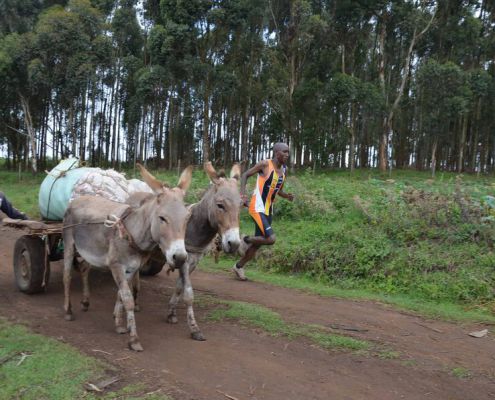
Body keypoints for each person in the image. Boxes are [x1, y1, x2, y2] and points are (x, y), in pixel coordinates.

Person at [232, 142, 294, 281]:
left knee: (258, 243)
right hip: (256, 207)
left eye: (288, 152)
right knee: (271, 239)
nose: (287, 155)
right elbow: (245, 175)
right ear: (276, 152)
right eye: (284, 152)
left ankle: (239, 266)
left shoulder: (284, 170)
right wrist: (242, 195)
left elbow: (279, 190)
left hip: (268, 210)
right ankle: (245, 239)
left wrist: (287, 196)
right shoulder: (265, 164)